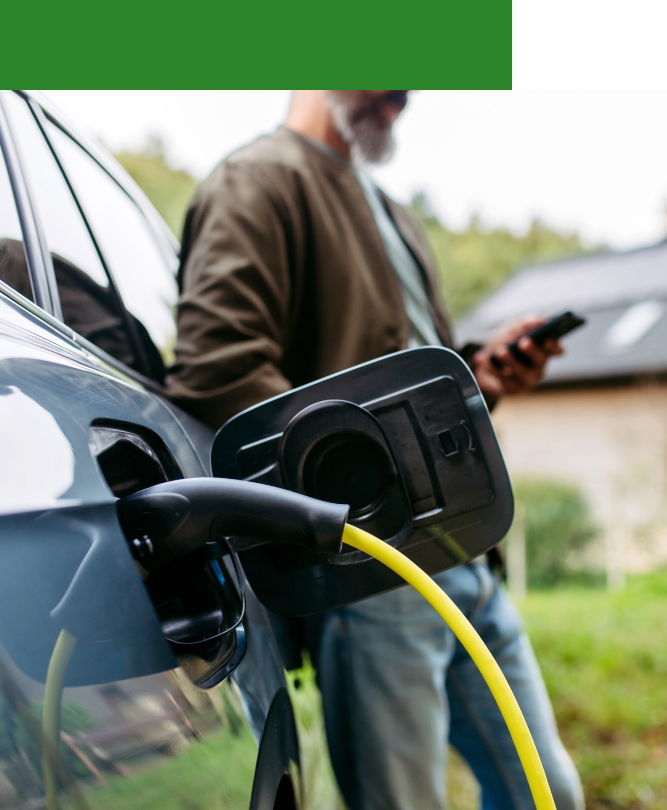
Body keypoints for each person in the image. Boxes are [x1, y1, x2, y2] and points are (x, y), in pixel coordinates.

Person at [167, 90, 584, 810]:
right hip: (373, 581)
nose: (404, 91)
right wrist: (361, 492)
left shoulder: (393, 213)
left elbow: (399, 385)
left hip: (466, 562)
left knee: (548, 795)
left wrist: (480, 374)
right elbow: (217, 369)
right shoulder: (258, 179)